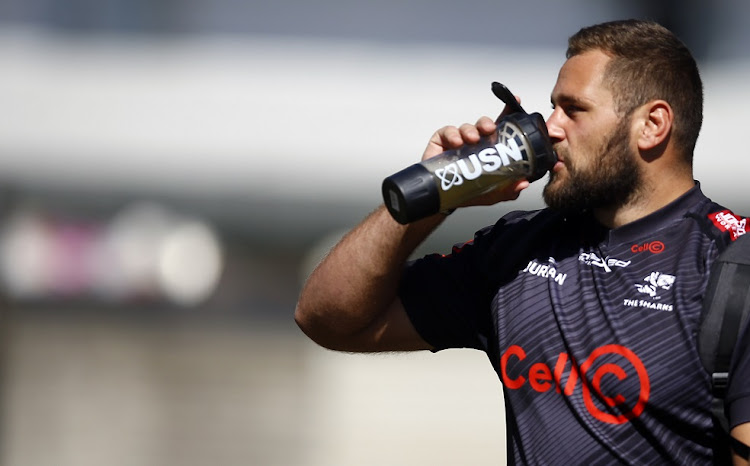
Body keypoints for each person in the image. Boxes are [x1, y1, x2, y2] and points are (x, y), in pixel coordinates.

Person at [295, 19, 750, 465]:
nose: (550, 127)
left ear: (652, 125)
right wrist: (436, 192)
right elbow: (328, 319)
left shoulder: (733, 266)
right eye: (552, 107)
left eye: (573, 109)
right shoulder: (520, 248)